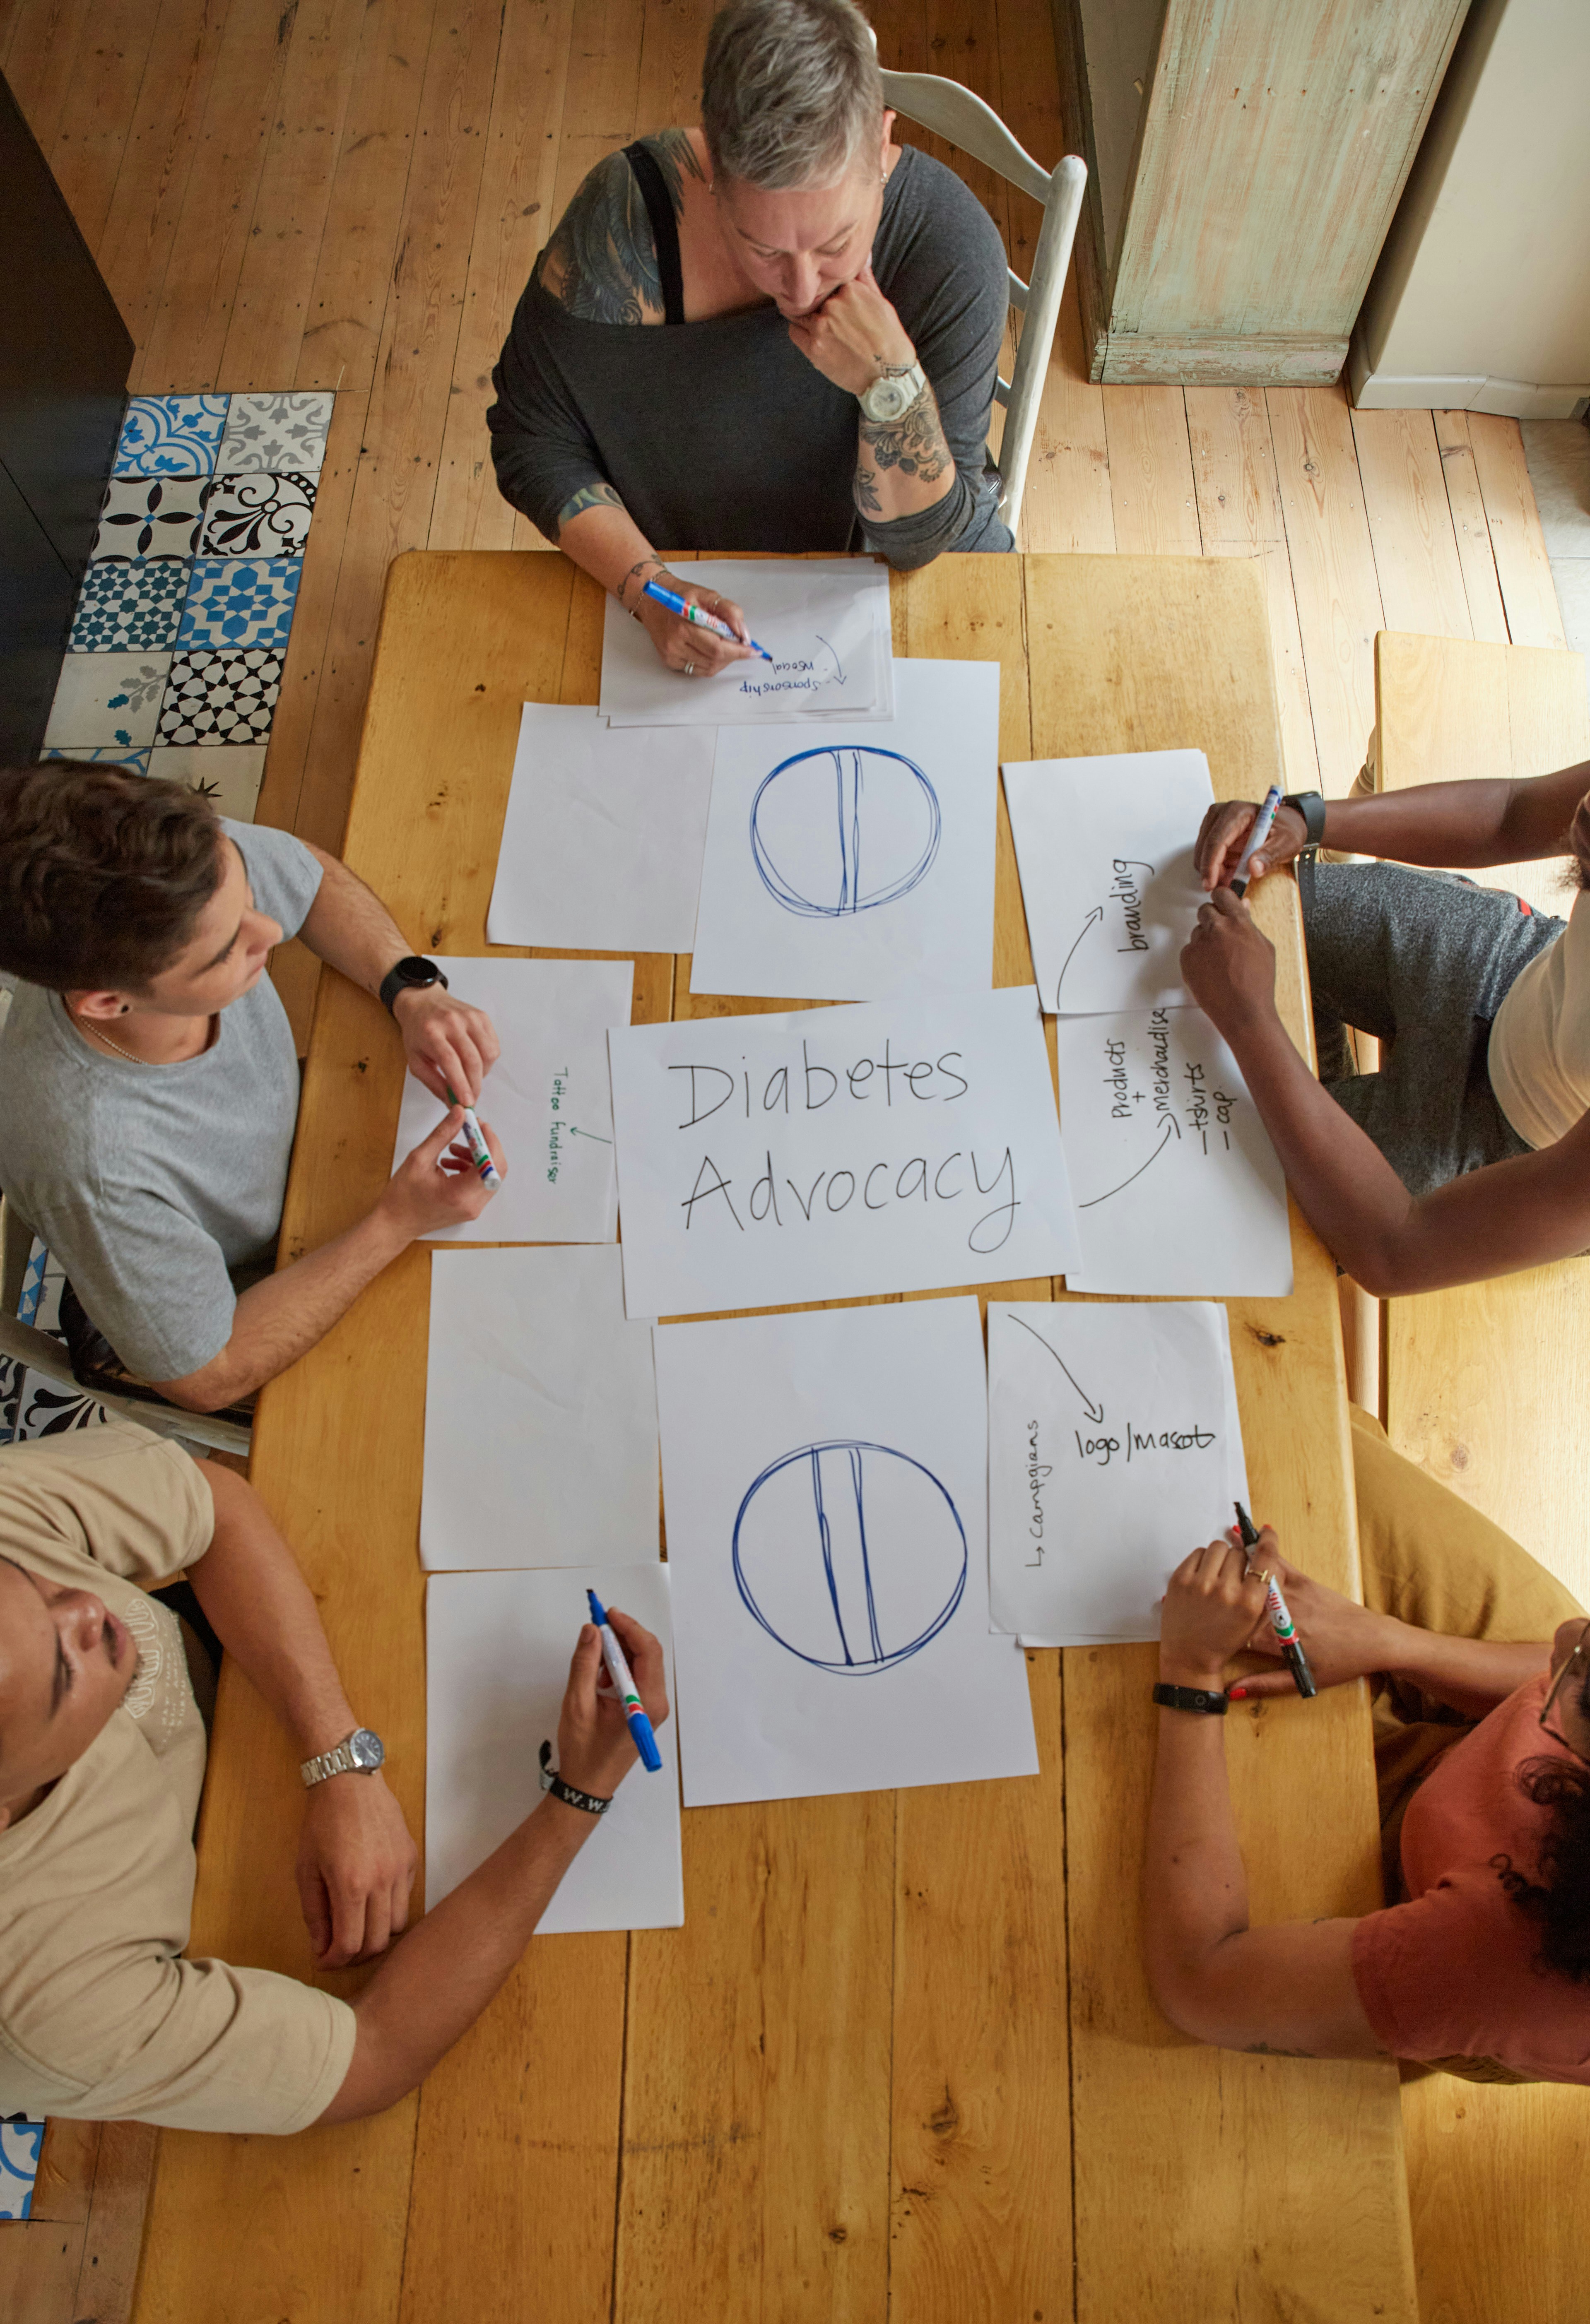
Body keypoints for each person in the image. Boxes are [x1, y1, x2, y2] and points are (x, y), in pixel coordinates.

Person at [0, 1419, 667, 2130]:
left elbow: (213, 1505)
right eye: (66, 1668)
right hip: (225, 1929)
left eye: (32, 1582)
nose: (89, 1604)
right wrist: (579, 1794)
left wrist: (337, 1757)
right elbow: (375, 2055)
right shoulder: (49, 2008)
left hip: (239, 1698)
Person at [487, 0, 1012, 684]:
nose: (799, 289)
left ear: (883, 143)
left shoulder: (951, 247)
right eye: (762, 248)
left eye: (835, 244)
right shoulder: (620, 233)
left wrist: (891, 383)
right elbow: (531, 439)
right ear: (712, 169)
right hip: (678, 591)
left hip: (881, 599)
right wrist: (648, 588)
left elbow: (919, 544)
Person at [0, 760, 507, 1416]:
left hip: (322, 1138)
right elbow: (206, 1374)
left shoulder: (171, 867)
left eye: (242, 894)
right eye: (225, 951)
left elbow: (310, 878)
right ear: (106, 1001)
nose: (270, 932)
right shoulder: (93, 1166)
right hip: (256, 1281)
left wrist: (408, 988)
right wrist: (397, 1221)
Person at [1143, 1405, 1590, 2081]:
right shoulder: (1561, 1664)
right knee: (1306, 1430)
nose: (1565, 1634)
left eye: (1579, 1679)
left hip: (1420, 1901)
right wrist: (1386, 1639)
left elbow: (1200, 1980)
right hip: (1463, 1770)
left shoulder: (1506, 1957)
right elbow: (1547, 1664)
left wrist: (1190, 1671)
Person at [1183, 756, 1590, 1294]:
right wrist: (1306, 822)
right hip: (1500, 962)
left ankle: (1320, 1095)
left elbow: (1399, 1248)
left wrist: (1252, 1018)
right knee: (1216, 908)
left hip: (1502, 1145)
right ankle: (1324, 1092)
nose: (1580, 810)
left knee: (1196, 1188)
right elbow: (1512, 814)